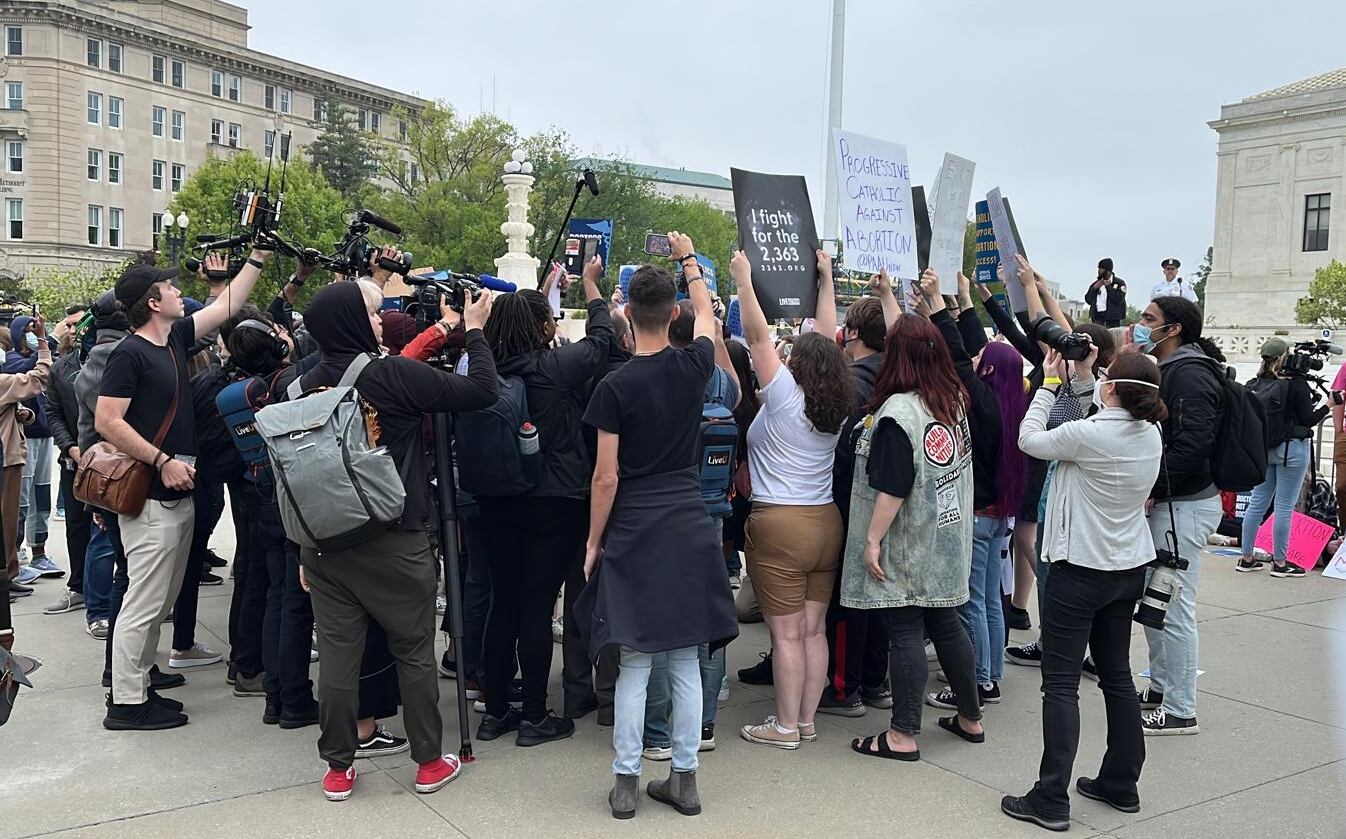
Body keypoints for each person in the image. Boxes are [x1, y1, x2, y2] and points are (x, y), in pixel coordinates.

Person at [280, 275, 497, 801]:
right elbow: (481, 392)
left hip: (323, 543)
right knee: (414, 652)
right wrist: (473, 331)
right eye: (372, 313)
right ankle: (427, 762)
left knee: (336, 658)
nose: (380, 320)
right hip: (394, 537)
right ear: (355, 321)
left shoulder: (292, 385)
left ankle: (337, 768)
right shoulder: (393, 375)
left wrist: (303, 551)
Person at [580, 232, 738, 819]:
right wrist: (690, 259)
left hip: (635, 526)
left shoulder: (614, 386)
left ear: (625, 312)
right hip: (688, 520)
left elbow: (605, 477)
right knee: (685, 657)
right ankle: (685, 777)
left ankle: (626, 782)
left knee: (635, 660)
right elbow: (708, 320)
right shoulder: (694, 366)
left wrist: (594, 542)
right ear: (670, 313)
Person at [97, 250, 269, 731]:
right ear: (153, 303)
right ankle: (127, 703)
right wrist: (161, 460)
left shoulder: (171, 340)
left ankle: (141, 683)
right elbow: (106, 420)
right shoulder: (129, 353)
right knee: (143, 601)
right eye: (170, 288)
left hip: (176, 493)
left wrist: (257, 257)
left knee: (159, 597)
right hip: (151, 495)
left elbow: (227, 304)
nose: (179, 292)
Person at [1000, 350, 1166, 831]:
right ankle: (1121, 782)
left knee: (1061, 684)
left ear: (1111, 389)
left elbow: (1029, 438)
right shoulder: (1149, 431)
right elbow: (1105, 404)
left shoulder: (1091, 434)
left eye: (1105, 378)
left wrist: (1051, 383)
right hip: (1126, 568)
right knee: (1116, 676)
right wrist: (1087, 372)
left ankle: (1050, 797)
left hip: (1080, 571)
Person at [474, 255, 612, 748]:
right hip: (553, 499)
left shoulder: (483, 373)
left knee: (502, 605)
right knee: (536, 607)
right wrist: (591, 288)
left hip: (496, 499)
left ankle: (494, 710)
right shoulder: (553, 368)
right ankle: (534, 713)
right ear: (540, 326)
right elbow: (602, 342)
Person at [841, 305, 983, 761]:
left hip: (909, 538)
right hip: (945, 536)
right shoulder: (952, 400)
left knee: (904, 628)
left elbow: (893, 487)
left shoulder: (899, 412)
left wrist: (871, 539)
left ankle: (902, 733)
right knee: (947, 623)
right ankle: (970, 716)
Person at [731, 248, 850, 750]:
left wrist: (744, 281)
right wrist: (826, 280)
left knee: (784, 637)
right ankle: (805, 720)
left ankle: (782, 727)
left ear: (797, 364)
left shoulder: (783, 395)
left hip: (780, 524)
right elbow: (825, 338)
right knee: (813, 631)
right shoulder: (835, 404)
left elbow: (758, 337)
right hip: (826, 521)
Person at [919, 270, 1029, 709]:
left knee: (973, 603)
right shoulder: (1017, 404)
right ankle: (992, 671)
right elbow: (969, 355)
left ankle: (981, 681)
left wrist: (941, 308)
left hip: (979, 513)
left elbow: (961, 360)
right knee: (991, 601)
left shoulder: (982, 403)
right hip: (998, 512)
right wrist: (963, 301)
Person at [639, 297, 741, 759]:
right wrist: (714, 332)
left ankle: (658, 730)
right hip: (713, 514)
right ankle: (702, 724)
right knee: (707, 620)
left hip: (665, 512)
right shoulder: (719, 381)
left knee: (662, 626)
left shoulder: (655, 378)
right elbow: (738, 393)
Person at [1134, 295, 1225, 736]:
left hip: (1182, 508)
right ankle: (1161, 689)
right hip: (1173, 505)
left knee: (1175, 607)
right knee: (1156, 603)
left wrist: (1152, 487)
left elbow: (1192, 445)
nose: (1140, 324)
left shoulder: (1189, 375)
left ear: (1174, 329)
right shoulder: (1174, 371)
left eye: (1149, 319)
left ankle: (1180, 709)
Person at [819, 272, 900, 717]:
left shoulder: (851, 383)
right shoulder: (899, 378)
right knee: (878, 594)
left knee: (848, 598)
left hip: (853, 497)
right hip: (889, 499)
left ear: (852, 334)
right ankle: (873, 679)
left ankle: (843, 685)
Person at [1239, 338, 1328, 577]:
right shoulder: (1296, 384)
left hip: (1264, 449)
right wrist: (1328, 405)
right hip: (1291, 450)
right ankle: (1280, 562)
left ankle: (1246, 557)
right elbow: (1308, 419)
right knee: (1284, 507)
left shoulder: (1256, 383)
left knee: (1257, 503)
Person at [42, 310, 96, 622]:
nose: (74, 330)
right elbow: (53, 413)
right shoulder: (61, 368)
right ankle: (79, 586)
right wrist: (72, 448)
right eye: (70, 325)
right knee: (77, 524)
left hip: (110, 459)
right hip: (73, 460)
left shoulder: (113, 360)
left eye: (80, 323)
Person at [7, 315, 58, 583]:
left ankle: (39, 550)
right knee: (21, 501)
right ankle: (14, 556)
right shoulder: (13, 362)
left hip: (44, 437)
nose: (32, 334)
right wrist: (43, 342)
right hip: (21, 443)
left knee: (41, 498)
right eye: (27, 330)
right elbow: (36, 373)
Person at [1085, 258, 1127, 328]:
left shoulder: (1119, 283)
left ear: (1108, 271)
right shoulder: (1096, 284)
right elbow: (1088, 300)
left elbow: (1120, 300)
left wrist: (1108, 287)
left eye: (1101, 268)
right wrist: (1094, 289)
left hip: (1112, 320)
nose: (1099, 271)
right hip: (1097, 319)